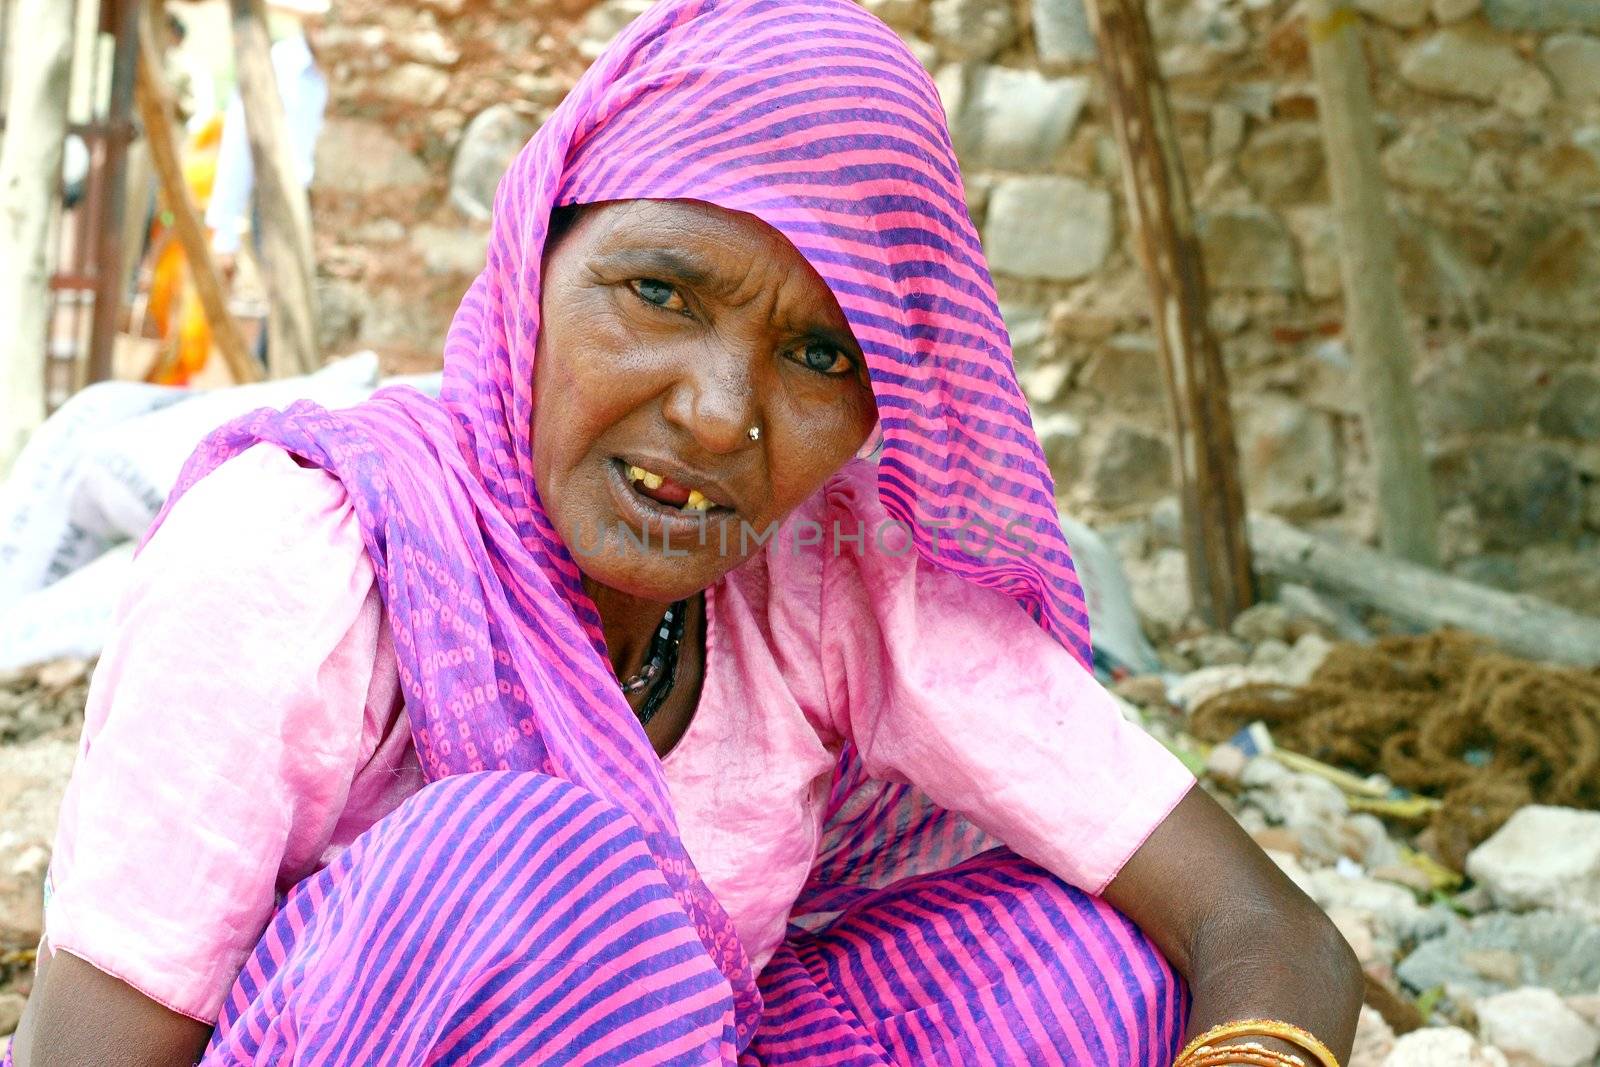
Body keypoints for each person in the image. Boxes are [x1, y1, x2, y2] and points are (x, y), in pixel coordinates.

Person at [9, 0, 1364, 1063]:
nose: (720, 417)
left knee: (1091, 962)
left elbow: (1260, 923)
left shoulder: (827, 568)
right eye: (656, 289)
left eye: (821, 357)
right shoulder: (301, 553)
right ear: (536, 262)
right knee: (534, 871)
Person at [205, 0, 328, 292]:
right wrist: (225, 232)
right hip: (277, 208)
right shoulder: (277, 66)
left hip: (328, 213)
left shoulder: (353, 72)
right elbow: (239, 147)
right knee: (285, 305)